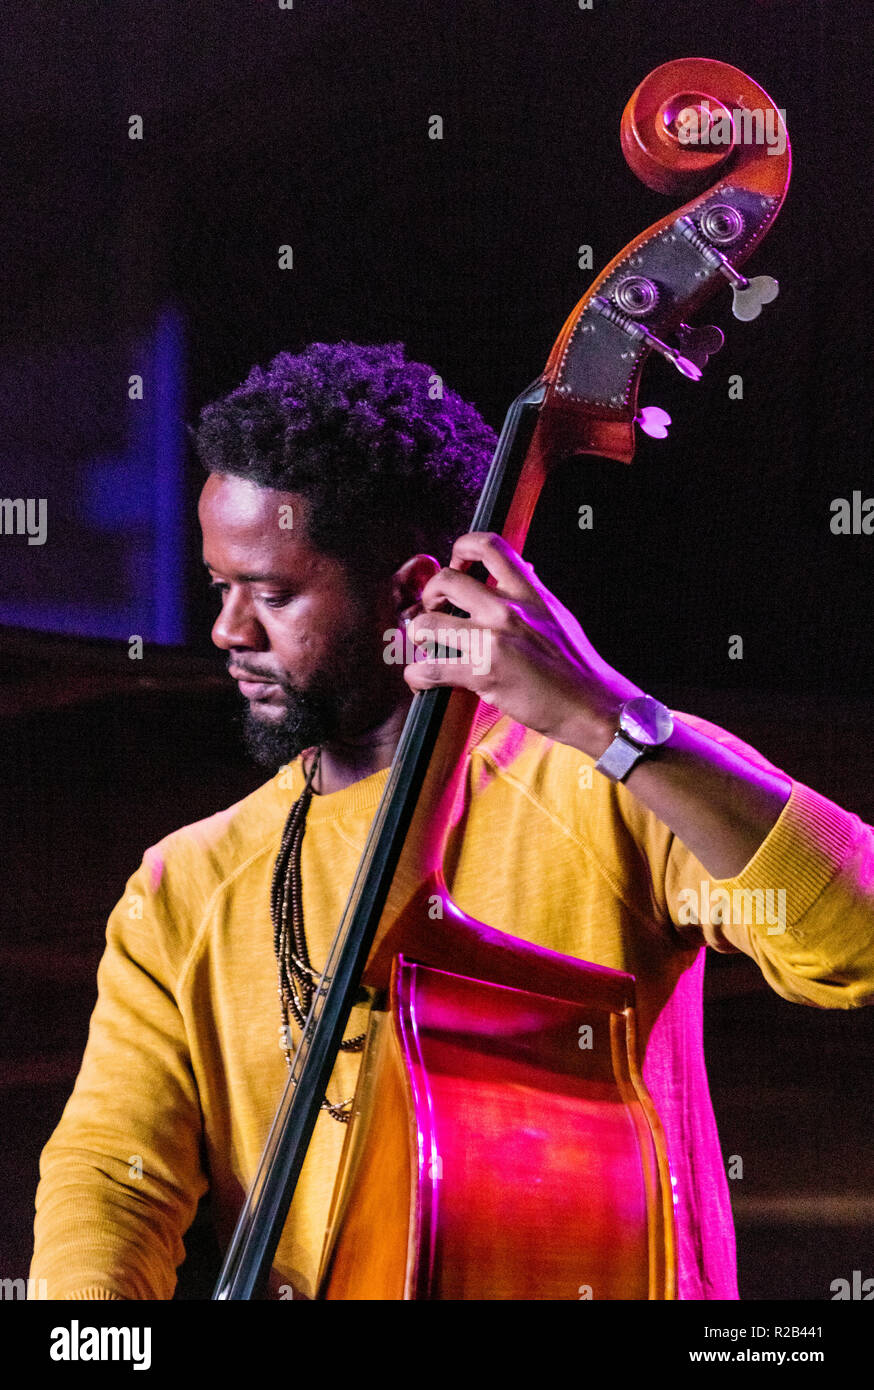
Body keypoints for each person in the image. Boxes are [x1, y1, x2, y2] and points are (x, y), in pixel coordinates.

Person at [30, 341, 874, 1301]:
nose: (227, 630)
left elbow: (859, 937)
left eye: (270, 594)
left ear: (408, 590)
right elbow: (109, 1176)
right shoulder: (185, 883)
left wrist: (611, 724)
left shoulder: (606, 781)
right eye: (220, 587)